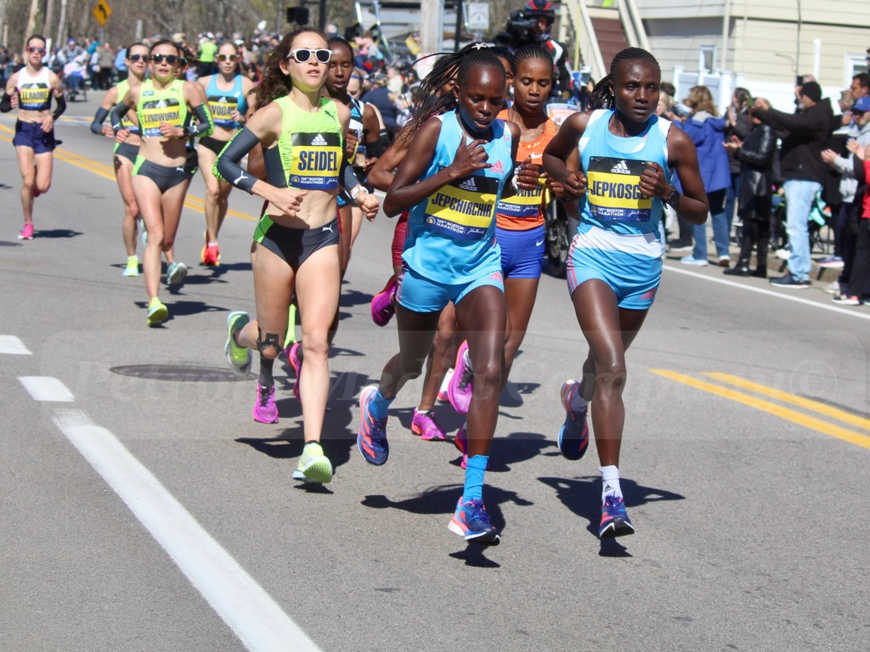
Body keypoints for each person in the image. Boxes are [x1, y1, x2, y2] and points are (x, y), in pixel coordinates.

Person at [356, 46, 520, 544]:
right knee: (411, 362)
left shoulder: (505, 135)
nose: (486, 109)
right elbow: (392, 201)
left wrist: (518, 182)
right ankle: (379, 404)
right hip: (428, 267)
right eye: (477, 98)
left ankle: (471, 499)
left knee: (490, 366)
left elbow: (495, 187)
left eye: (495, 100)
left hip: (479, 266)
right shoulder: (438, 130)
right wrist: (450, 172)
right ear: (458, 92)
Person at [543, 47, 708, 537]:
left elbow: (701, 211)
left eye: (652, 87)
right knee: (614, 367)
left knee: (601, 368)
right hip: (592, 253)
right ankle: (611, 493)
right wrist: (564, 177)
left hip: (643, 266)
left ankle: (576, 401)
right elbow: (552, 155)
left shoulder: (672, 140)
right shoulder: (584, 125)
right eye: (633, 86)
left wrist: (669, 196)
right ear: (613, 88)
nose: (643, 96)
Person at [217, 29, 378, 483]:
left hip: (322, 238)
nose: (314, 62)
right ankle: (240, 333)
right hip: (276, 240)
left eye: (321, 56)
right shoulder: (272, 115)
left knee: (316, 343)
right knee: (272, 343)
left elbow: (340, 167)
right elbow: (224, 163)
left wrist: (360, 192)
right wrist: (269, 190)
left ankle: (312, 449)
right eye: (303, 55)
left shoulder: (340, 113)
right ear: (286, 65)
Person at [110, 40, 214, 325]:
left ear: (179, 65)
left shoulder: (189, 90)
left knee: (167, 237)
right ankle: (154, 301)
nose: (163, 63)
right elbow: (115, 113)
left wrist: (184, 129)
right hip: (146, 168)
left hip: (178, 172)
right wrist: (119, 130)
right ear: (151, 63)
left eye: (170, 59)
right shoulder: (137, 91)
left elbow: (209, 125)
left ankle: (155, 245)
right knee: (155, 236)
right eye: (157, 58)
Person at [752, 81, 833, 287]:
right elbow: (786, 127)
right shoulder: (811, 116)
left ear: (807, 97)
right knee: (796, 226)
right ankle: (798, 271)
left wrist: (768, 110)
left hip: (804, 177)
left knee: (797, 227)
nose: (798, 101)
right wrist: (764, 114)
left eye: (799, 97)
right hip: (799, 176)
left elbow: (791, 123)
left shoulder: (816, 115)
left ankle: (798, 273)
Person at [90, 42, 149, 276]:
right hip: (124, 150)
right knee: (132, 208)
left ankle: (148, 232)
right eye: (135, 57)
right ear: (126, 61)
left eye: (145, 57)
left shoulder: (157, 89)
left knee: (148, 208)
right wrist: (106, 130)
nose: (141, 61)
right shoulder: (116, 91)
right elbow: (95, 123)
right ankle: (133, 258)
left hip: (150, 153)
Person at [326, 36, 385, 266]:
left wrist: (361, 159)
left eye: (346, 65)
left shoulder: (365, 113)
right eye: (332, 65)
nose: (340, 72)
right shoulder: (306, 107)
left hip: (347, 195)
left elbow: (377, 159)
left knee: (339, 262)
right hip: (309, 193)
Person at [2, 34, 65, 240]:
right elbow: (2, 106)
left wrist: (52, 118)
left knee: (43, 186)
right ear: (26, 51)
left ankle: (36, 182)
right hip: (24, 131)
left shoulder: (51, 77)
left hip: (44, 133)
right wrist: (8, 105)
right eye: (33, 49)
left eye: (40, 50)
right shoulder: (16, 77)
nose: (36, 53)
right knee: (28, 182)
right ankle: (28, 223)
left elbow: (62, 105)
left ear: (45, 53)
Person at [196, 41, 254, 266]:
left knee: (222, 196)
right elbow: (192, 107)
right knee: (212, 191)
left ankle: (212, 234)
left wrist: (243, 118)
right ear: (216, 60)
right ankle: (212, 244)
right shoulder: (203, 83)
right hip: (208, 143)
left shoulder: (245, 83)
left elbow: (254, 111)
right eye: (223, 58)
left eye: (231, 58)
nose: (227, 62)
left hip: (232, 147)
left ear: (237, 60)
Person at [675, 85, 731, 266]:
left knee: (698, 210)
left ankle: (700, 254)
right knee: (718, 211)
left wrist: (677, 122)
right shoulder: (717, 120)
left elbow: (686, 139)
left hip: (702, 172)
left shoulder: (697, 121)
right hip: (719, 175)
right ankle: (724, 252)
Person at [723, 103, 776, 276]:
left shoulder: (766, 130)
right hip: (753, 182)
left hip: (758, 184)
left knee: (754, 226)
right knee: (755, 226)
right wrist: (741, 147)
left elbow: (762, 157)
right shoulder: (759, 130)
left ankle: (747, 263)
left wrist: (739, 151)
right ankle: (757, 265)